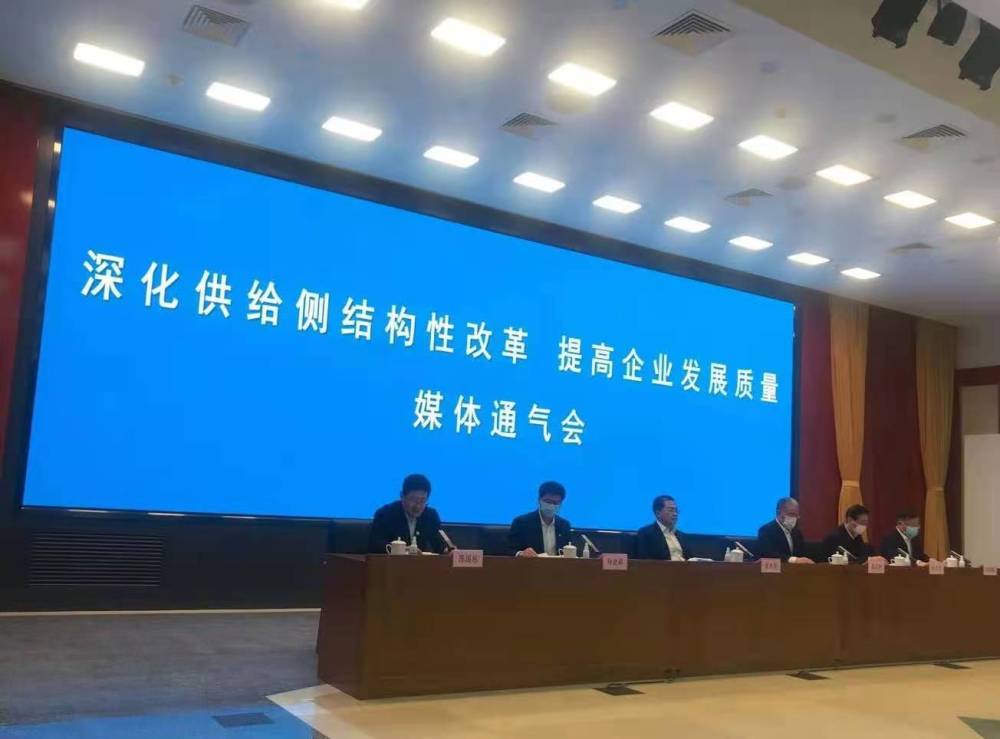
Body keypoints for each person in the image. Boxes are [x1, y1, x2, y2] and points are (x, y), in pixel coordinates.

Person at [367, 473, 448, 554]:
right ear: (402, 496)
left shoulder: (431, 515)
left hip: (419, 562)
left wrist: (448, 551)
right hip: (391, 561)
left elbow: (440, 544)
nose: (418, 506)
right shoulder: (385, 514)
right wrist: (403, 550)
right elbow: (376, 545)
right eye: (413, 499)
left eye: (422, 500)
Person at [508, 481, 572, 557]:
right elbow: (507, 549)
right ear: (539, 500)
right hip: (531, 564)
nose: (551, 506)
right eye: (548, 501)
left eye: (556, 503)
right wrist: (521, 553)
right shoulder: (521, 523)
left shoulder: (564, 525)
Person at [756, 497, 813, 563]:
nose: (794, 518)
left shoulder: (797, 533)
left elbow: (802, 555)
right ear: (778, 512)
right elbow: (768, 554)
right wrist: (794, 560)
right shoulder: (766, 530)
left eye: (796, 515)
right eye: (791, 514)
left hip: (796, 569)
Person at [635, 495, 692, 561]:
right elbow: (644, 561)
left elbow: (690, 558)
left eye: (676, 510)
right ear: (658, 513)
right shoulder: (646, 533)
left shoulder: (681, 536)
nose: (675, 514)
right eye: (671, 510)